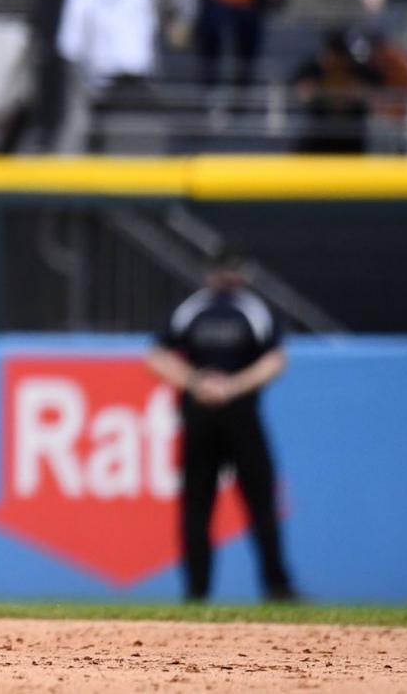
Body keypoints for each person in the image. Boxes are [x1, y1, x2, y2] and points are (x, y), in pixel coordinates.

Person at [147, 249, 298, 603]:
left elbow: (275, 360)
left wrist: (232, 386)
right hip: (200, 414)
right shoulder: (192, 309)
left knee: (259, 500)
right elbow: (155, 356)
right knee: (198, 504)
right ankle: (197, 592)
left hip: (241, 412)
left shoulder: (252, 310)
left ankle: (277, 586)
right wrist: (196, 382)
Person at [290, 27, 385, 152]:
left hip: (352, 135)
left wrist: (364, 94)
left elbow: (381, 90)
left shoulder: (361, 71)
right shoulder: (313, 69)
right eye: (335, 56)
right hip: (319, 134)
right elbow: (296, 87)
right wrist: (306, 91)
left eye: (342, 58)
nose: (338, 62)